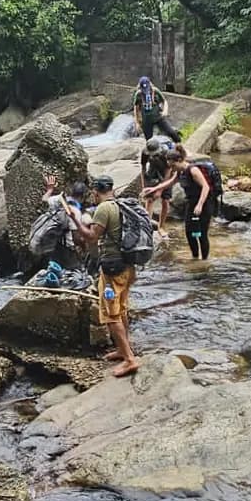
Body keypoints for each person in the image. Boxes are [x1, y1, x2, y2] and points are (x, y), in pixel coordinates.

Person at [79, 175, 139, 377]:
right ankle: (124, 350)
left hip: (113, 270)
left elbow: (91, 237)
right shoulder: (121, 204)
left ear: (96, 192)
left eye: (93, 193)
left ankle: (130, 360)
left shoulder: (104, 208)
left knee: (110, 315)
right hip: (128, 267)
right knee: (121, 309)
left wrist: (74, 219)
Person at [171, 145, 220, 261]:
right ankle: (195, 257)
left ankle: (204, 260)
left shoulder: (193, 170)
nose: (172, 168)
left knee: (202, 233)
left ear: (179, 160)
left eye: (173, 165)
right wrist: (154, 189)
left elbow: (206, 187)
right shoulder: (180, 172)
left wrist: (200, 205)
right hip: (191, 203)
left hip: (204, 203)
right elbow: (170, 182)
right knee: (190, 232)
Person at [138, 136, 175, 227]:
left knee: (165, 201)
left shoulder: (166, 152)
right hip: (153, 168)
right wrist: (144, 187)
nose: (151, 154)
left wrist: (160, 190)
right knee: (149, 198)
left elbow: (168, 171)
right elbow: (143, 168)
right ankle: (147, 224)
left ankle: (161, 226)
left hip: (166, 171)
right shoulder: (145, 152)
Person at [132, 76, 180, 141]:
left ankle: (180, 146)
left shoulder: (155, 91)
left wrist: (165, 110)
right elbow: (136, 108)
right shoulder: (138, 94)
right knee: (149, 140)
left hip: (158, 117)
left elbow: (164, 101)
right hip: (146, 120)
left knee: (172, 132)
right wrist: (137, 123)